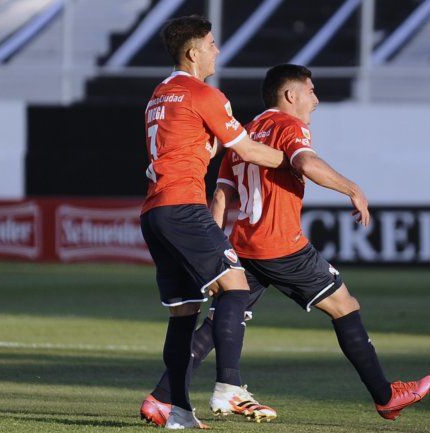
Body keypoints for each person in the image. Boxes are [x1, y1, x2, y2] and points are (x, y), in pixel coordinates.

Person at [140, 64, 430, 426]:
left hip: (243, 245)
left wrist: (216, 245)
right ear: (290, 95)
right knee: (345, 305)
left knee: (219, 322)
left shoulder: (245, 131)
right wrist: (352, 188)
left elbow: (222, 196)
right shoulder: (288, 126)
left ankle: (162, 398)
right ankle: (386, 397)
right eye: (310, 90)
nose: (316, 99)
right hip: (281, 245)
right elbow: (306, 162)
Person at [139, 15, 285, 429]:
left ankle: (177, 409)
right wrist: (293, 162)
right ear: (193, 52)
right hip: (183, 205)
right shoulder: (203, 93)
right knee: (235, 285)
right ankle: (229, 386)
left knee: (184, 311)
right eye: (212, 44)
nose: (217, 50)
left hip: (154, 212)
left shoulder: (158, 95)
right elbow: (251, 152)